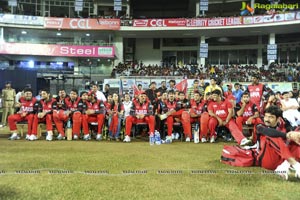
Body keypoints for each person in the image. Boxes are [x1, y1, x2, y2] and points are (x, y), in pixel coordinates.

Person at [255, 106, 300, 180]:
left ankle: (283, 167)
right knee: (273, 137)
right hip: (266, 158)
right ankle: (296, 165)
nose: (267, 119)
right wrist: (286, 135)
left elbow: (293, 131)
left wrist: (295, 134)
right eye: (266, 116)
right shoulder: (260, 124)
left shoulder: (284, 123)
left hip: (282, 157)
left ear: (278, 119)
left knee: (296, 137)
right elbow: (267, 132)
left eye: (271, 117)